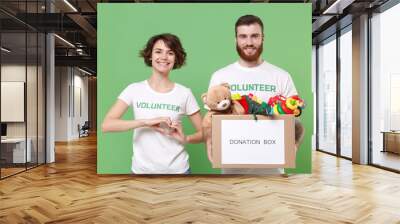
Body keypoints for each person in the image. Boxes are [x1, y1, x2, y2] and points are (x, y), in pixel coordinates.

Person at [208, 15, 304, 175]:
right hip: (232, 168)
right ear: (236, 39)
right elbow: (212, 118)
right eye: (243, 36)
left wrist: (293, 144)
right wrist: (209, 142)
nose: (249, 42)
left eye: (255, 36)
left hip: (272, 169)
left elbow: (294, 118)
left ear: (263, 38)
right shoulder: (220, 76)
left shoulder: (281, 76)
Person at [102, 33, 203, 174]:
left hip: (179, 172)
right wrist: (145, 122)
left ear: (176, 58)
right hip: (141, 172)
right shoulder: (134, 89)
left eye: (170, 53)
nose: (164, 57)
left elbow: (205, 133)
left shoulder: (184, 93)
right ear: (150, 55)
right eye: (158, 51)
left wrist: (186, 138)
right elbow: (107, 125)